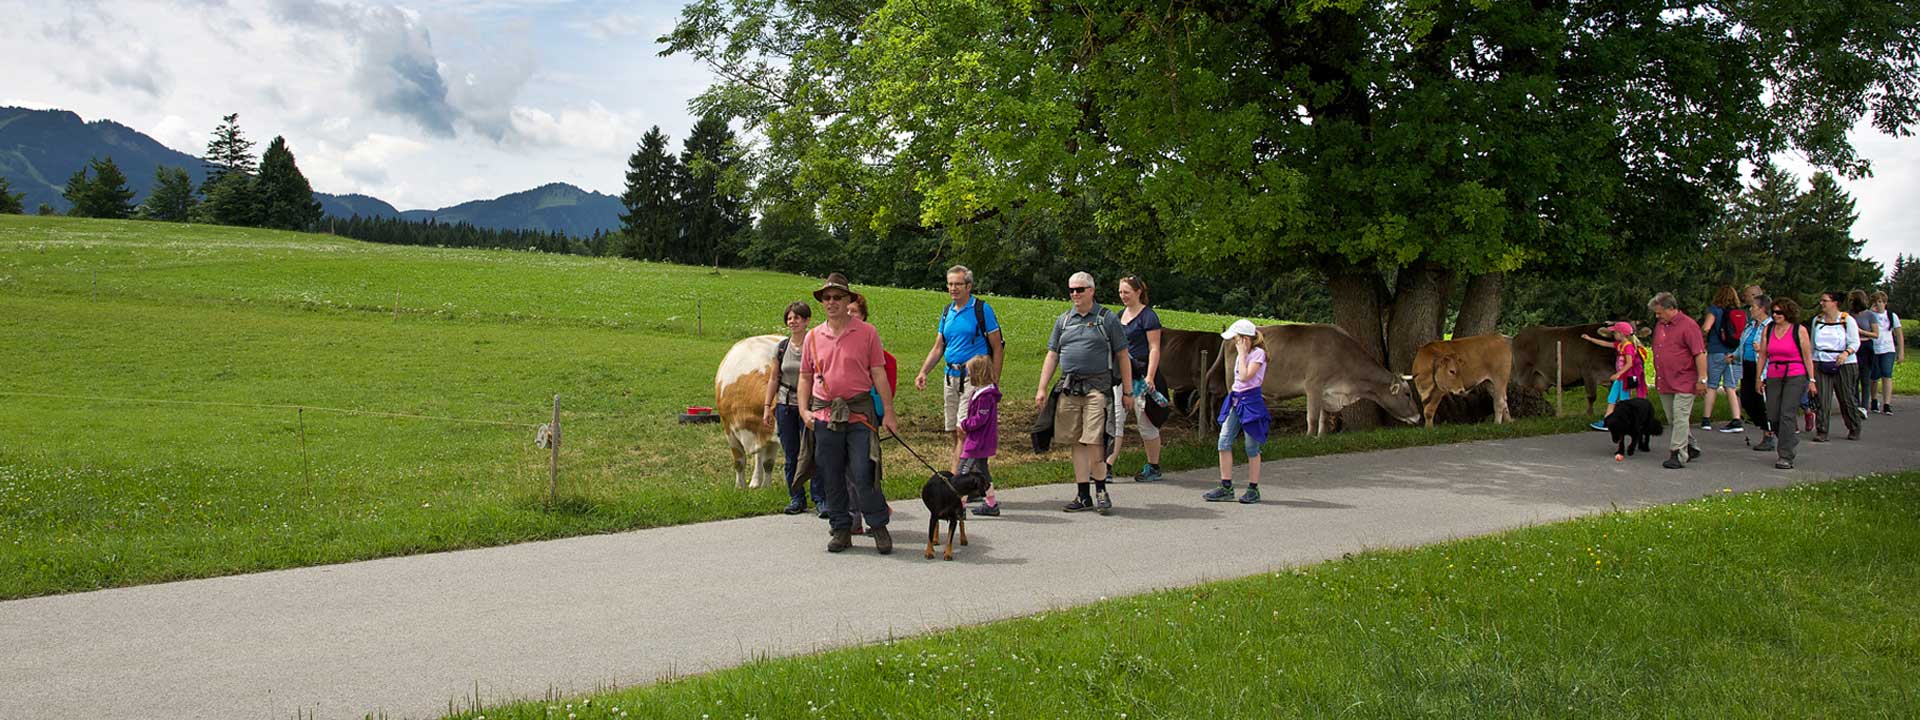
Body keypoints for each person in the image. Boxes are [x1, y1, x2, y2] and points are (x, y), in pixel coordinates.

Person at [796, 273, 899, 554]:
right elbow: (805, 376)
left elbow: (878, 372)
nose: (832, 302)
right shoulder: (813, 337)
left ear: (848, 300)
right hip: (824, 414)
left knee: (864, 471)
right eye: (827, 298)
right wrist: (804, 410)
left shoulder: (868, 333)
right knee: (830, 475)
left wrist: (888, 412)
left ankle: (878, 525)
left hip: (859, 413)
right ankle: (841, 529)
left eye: (838, 297)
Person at [1035, 271, 1132, 515]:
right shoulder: (1064, 320)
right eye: (1072, 290)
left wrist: (1127, 391)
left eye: (1080, 289)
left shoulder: (1106, 319)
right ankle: (1082, 494)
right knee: (1075, 440)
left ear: (1091, 290)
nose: (1075, 294)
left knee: (1094, 440)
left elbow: (1122, 355)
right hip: (1069, 387)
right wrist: (1042, 387)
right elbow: (1052, 354)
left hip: (1097, 388)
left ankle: (1100, 490)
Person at [914, 265, 1004, 436]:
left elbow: (997, 347)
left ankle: (963, 463)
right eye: (950, 284)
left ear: (968, 286)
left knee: (964, 429)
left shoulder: (982, 310)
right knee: (954, 431)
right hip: (950, 378)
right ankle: (961, 463)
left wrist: (994, 381)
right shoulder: (947, 311)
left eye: (958, 284)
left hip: (975, 378)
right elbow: (939, 346)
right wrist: (923, 372)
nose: (953, 288)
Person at [844, 294, 898, 535]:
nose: (849, 315)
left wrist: (886, 412)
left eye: (854, 311)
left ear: (863, 316)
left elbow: (888, 383)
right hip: (841, 412)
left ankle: (876, 516)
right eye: (847, 311)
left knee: (866, 467)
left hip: (868, 414)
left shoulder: (880, 354)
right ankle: (853, 519)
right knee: (846, 468)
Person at [1106, 276, 1167, 483]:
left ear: (1138, 292)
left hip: (1141, 375)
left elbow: (1154, 348)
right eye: (1121, 292)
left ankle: (1153, 466)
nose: (1123, 296)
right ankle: (1107, 465)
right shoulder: (1119, 315)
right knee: (1116, 418)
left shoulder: (1149, 317)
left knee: (1144, 419)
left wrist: (1150, 376)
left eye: (1127, 292)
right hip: (1121, 374)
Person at [762, 301, 820, 515]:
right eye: (789, 318)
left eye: (797, 317)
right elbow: (774, 378)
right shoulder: (782, 347)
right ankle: (796, 498)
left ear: (807, 321)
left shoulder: (815, 345)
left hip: (811, 406)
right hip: (786, 405)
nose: (792, 321)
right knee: (791, 454)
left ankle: (819, 498)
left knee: (815, 452)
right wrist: (768, 406)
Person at [1205, 319, 1271, 504]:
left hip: (1251, 402)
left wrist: (1242, 355)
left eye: (1237, 339)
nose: (1235, 342)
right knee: (1224, 441)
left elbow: (1245, 376)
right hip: (1236, 399)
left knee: (1251, 447)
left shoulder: (1258, 354)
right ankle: (1226, 486)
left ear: (1245, 339)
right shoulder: (1242, 355)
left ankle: (1253, 488)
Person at [1649, 292, 1706, 469]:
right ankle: (1691, 445)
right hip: (1665, 379)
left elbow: (1699, 353)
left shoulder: (1689, 326)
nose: (1657, 316)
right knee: (1673, 418)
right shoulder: (1661, 325)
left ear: (1671, 308)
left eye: (1659, 312)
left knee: (1680, 416)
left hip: (1684, 379)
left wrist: (1702, 379)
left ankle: (1677, 454)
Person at [1759, 298, 1817, 469]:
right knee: (1773, 414)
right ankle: (1789, 437)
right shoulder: (1768, 330)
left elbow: (1807, 357)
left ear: (1788, 313)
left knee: (1787, 413)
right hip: (1774, 373)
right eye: (1774, 312)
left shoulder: (1799, 331)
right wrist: (1759, 377)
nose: (1775, 315)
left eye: (1779, 312)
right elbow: (1763, 354)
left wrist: (1811, 379)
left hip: (1795, 373)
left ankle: (1785, 455)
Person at [1809, 291, 1863, 442]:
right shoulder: (1817, 320)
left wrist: (1846, 353)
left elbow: (1855, 342)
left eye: (1825, 301)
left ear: (1835, 303)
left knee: (1846, 397)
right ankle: (1822, 430)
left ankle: (1854, 426)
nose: (1822, 303)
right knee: (1822, 398)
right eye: (1821, 300)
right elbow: (1813, 344)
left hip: (1844, 363)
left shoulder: (1847, 320)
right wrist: (1812, 365)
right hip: (1821, 360)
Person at [954, 355, 1002, 516]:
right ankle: (991, 503)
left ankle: (960, 506)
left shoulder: (985, 397)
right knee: (982, 472)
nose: (967, 376)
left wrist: (965, 424)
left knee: (963, 473)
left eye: (969, 373)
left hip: (978, 442)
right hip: (979, 440)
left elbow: (980, 419)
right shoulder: (981, 393)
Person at [1579, 321, 1646, 430]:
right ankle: (1607, 420)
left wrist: (1618, 374)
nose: (1613, 335)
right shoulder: (1620, 345)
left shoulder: (1628, 347)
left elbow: (1630, 363)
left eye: (1615, 332)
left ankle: (1626, 422)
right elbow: (1605, 344)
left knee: (1624, 401)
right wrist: (1590, 339)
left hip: (1625, 378)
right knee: (1612, 398)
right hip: (1620, 378)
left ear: (1622, 334)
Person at [1699, 286, 1745, 433]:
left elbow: (1706, 327)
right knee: (1730, 386)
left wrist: (1704, 338)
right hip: (1733, 352)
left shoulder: (1715, 310)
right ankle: (1736, 419)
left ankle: (1706, 419)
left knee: (1712, 385)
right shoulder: (1739, 313)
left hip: (1716, 350)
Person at [1741, 294, 1777, 451]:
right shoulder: (1750, 326)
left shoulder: (1771, 327)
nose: (1750, 310)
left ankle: (1768, 433)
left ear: (1762, 309)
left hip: (1763, 367)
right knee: (1747, 400)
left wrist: (1763, 349)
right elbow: (1743, 344)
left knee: (1762, 401)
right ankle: (1763, 424)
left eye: (1753, 307)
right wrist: (1734, 355)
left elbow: (1778, 348)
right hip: (1748, 365)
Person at [1869, 291, 1904, 414]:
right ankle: (1873, 400)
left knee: (1887, 374)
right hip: (1873, 349)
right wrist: (1870, 311)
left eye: (1880, 302)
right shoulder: (1870, 315)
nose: (1878, 305)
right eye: (1875, 302)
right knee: (1874, 377)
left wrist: (1901, 352)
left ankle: (1887, 403)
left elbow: (1898, 334)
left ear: (1885, 303)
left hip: (1888, 349)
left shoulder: (1891, 316)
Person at [1849, 289, 1881, 416]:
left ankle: (1864, 406)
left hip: (1865, 345)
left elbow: (1876, 334)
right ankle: (1855, 404)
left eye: (1852, 300)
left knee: (1865, 377)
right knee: (1854, 377)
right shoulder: (1849, 315)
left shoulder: (1869, 315)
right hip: (1852, 347)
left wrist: (1860, 331)